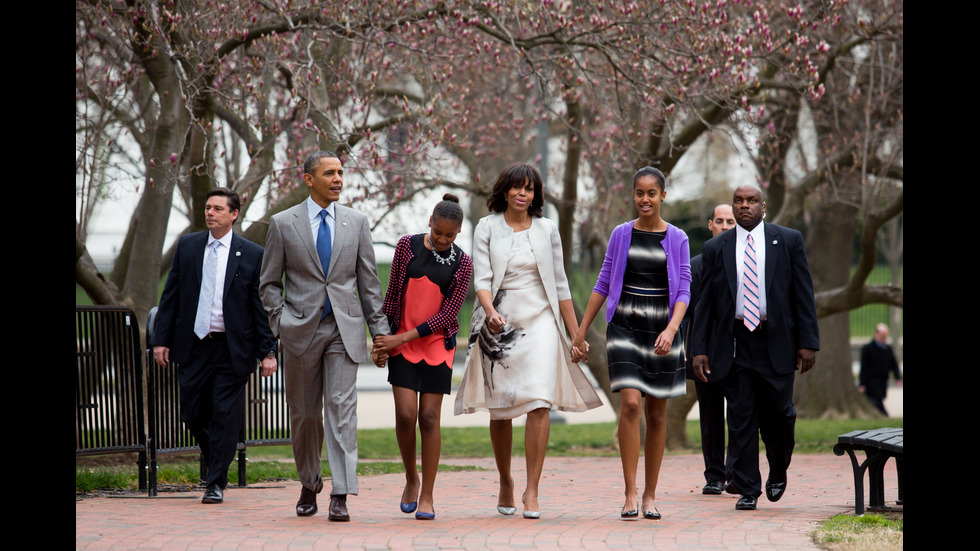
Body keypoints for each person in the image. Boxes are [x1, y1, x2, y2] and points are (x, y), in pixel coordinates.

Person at [454, 163, 602, 519]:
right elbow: (483, 280)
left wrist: (576, 334)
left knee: (539, 401)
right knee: (501, 409)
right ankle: (505, 479)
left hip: (541, 324)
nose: (524, 194)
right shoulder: (487, 227)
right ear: (505, 190)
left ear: (536, 195)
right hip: (499, 323)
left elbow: (561, 285)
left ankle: (532, 490)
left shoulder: (548, 229)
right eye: (518, 187)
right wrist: (489, 311)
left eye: (530, 189)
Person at [259, 151, 389, 522]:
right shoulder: (283, 223)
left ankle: (341, 492)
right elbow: (268, 283)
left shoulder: (357, 222)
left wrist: (379, 333)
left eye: (341, 173)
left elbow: (369, 284)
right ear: (308, 179)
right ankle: (309, 482)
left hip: (344, 330)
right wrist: (281, 321)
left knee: (341, 409)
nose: (337, 179)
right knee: (304, 415)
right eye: (329, 173)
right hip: (299, 330)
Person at [571, 167, 691, 520]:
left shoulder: (678, 238)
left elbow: (684, 288)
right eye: (639, 193)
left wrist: (671, 329)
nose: (644, 199)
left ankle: (651, 495)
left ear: (663, 196)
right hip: (624, 324)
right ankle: (629, 492)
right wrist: (580, 332)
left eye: (651, 193)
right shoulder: (621, 234)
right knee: (631, 405)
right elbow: (603, 282)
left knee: (656, 412)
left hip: (661, 330)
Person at [692, 184, 820, 511]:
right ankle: (749, 488)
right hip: (734, 343)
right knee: (741, 417)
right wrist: (699, 348)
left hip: (775, 341)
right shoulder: (715, 247)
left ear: (764, 206)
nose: (744, 206)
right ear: (733, 207)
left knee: (780, 415)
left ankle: (778, 467)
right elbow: (705, 303)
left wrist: (808, 342)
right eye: (739, 201)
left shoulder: (788, 240)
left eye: (751, 201)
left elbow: (802, 294)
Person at [153, 187, 278, 505]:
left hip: (232, 349)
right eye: (208, 207)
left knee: (224, 414)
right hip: (194, 346)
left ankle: (215, 482)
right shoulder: (189, 246)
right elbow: (171, 296)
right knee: (192, 414)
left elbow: (259, 308)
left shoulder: (252, 254)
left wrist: (268, 351)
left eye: (217, 209)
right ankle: (218, 458)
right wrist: (161, 340)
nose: (210, 212)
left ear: (234, 215)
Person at [373, 194, 473, 521]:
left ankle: (428, 493)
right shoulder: (406, 246)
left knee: (429, 418)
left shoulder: (464, 262)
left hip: (434, 345)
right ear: (430, 221)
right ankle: (411, 479)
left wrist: (402, 337)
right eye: (439, 232)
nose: (443, 240)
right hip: (401, 339)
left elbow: (448, 315)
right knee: (405, 415)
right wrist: (383, 342)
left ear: (458, 232)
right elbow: (393, 296)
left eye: (451, 236)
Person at [681, 204, 735, 496]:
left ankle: (737, 472)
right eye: (720, 221)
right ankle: (715, 475)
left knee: (740, 414)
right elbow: (685, 312)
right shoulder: (696, 265)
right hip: (705, 354)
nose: (725, 225)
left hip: (739, 352)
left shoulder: (746, 261)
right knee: (711, 416)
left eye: (730, 221)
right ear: (710, 225)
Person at [859, 323, 901, 416]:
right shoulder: (868, 348)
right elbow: (863, 367)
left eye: (885, 336)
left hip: (883, 380)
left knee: (879, 399)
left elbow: (894, 365)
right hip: (871, 380)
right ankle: (885, 415)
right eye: (882, 336)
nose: (884, 338)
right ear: (876, 334)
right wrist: (862, 384)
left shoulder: (887, 349)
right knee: (877, 400)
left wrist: (897, 378)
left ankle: (880, 415)